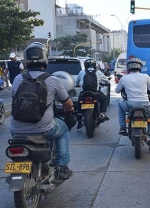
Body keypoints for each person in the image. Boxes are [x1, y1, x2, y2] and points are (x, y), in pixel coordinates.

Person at [10, 42, 74, 179]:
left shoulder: (17, 79)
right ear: (45, 59)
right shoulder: (53, 79)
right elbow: (68, 104)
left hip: (16, 130)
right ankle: (62, 166)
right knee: (63, 129)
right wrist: (69, 109)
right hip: (44, 129)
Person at [115, 57, 150, 153]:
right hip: (145, 105)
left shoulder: (124, 78)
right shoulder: (146, 76)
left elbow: (117, 90)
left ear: (129, 67)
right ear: (140, 67)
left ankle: (123, 127)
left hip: (130, 105)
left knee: (119, 103)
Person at [76, 58, 110, 129]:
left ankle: (79, 121)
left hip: (84, 92)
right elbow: (107, 80)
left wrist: (78, 84)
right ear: (95, 65)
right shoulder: (98, 72)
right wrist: (106, 83)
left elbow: (77, 82)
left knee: (79, 103)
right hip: (95, 92)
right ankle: (102, 113)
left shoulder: (82, 72)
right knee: (105, 98)